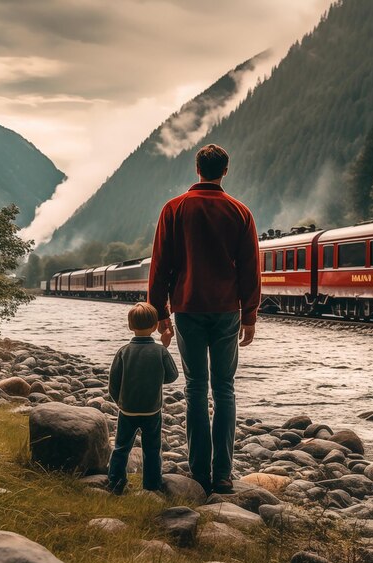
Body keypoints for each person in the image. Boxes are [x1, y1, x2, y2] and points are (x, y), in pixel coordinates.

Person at [148, 144, 261, 495]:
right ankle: (223, 474)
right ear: (225, 171)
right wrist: (250, 315)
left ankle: (199, 473)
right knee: (224, 388)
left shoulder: (174, 209)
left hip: (188, 308)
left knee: (196, 387)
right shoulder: (240, 212)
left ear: (197, 169)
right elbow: (250, 269)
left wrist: (161, 314)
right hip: (227, 309)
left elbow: (160, 266)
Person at [107, 302, 179, 494]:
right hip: (152, 411)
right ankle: (152, 485)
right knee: (152, 450)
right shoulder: (159, 351)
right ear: (155, 327)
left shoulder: (123, 351)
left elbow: (113, 383)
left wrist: (120, 402)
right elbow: (172, 376)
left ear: (130, 326)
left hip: (127, 410)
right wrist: (164, 347)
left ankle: (115, 483)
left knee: (121, 448)